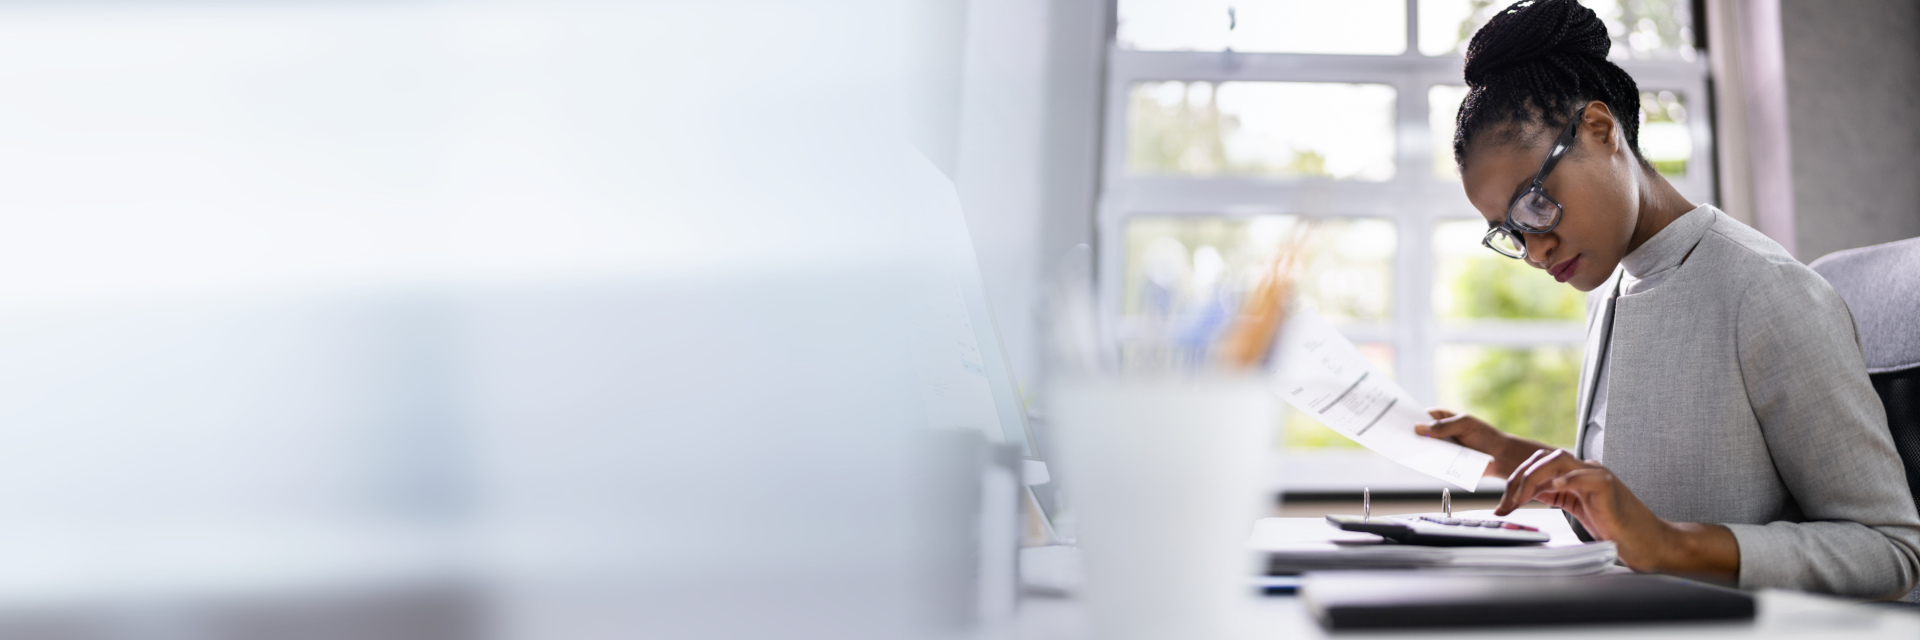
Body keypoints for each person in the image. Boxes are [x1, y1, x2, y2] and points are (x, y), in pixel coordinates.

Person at [1413, 0, 1920, 599]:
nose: (1533, 249)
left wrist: (1672, 545)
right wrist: (1508, 453)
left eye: (1534, 203)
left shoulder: (1766, 292)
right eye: (1511, 230)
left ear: (1601, 132)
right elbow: (1635, 504)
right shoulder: (1613, 286)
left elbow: (1891, 551)